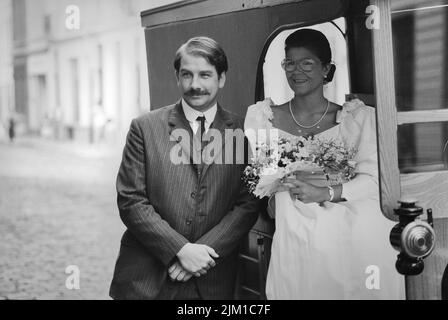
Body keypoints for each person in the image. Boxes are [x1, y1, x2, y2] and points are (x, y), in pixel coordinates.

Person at [244, 29, 405, 299]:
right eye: (290, 63)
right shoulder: (263, 118)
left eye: (307, 63)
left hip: (350, 222)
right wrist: (273, 197)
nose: (297, 71)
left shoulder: (358, 118)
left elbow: (376, 180)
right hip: (294, 222)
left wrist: (326, 192)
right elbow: (264, 180)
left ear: (326, 69)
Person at [110, 36, 260, 300]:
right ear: (177, 77)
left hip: (213, 281)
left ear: (221, 78)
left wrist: (201, 253)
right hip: (146, 281)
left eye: (205, 75)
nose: (195, 85)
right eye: (187, 75)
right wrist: (180, 249)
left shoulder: (242, 132)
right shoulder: (144, 128)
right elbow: (131, 201)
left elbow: (247, 203)